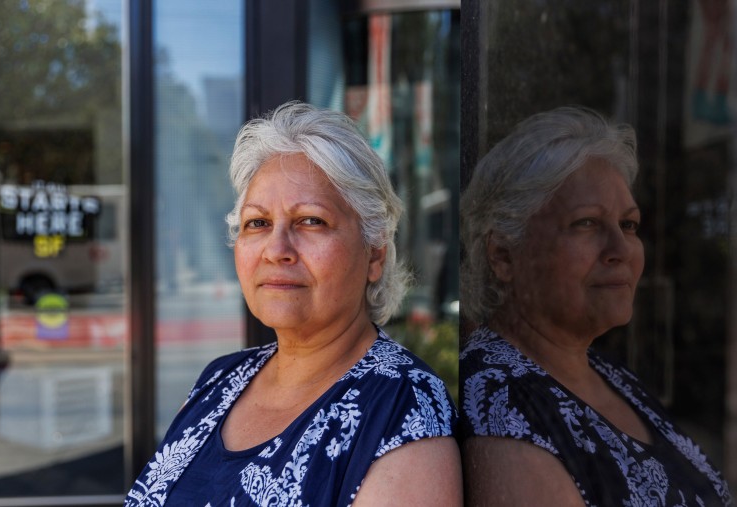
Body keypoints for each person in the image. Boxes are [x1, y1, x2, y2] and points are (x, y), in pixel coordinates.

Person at [125, 101, 462, 506]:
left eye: (311, 221)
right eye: (258, 223)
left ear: (374, 254)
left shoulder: (401, 409)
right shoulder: (218, 381)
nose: (276, 249)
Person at [459, 106, 732, 506]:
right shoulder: (499, 402)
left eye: (629, 225)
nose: (620, 249)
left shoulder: (612, 376)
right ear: (503, 255)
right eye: (586, 223)